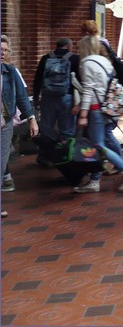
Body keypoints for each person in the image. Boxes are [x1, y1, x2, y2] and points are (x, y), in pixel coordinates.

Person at [75, 35, 123, 193]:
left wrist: (83, 113)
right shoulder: (104, 62)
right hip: (106, 108)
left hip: (95, 109)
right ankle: (95, 179)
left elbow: (89, 89)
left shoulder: (87, 63)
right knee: (100, 141)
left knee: (98, 145)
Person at [1, 35, 39, 217]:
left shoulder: (9, 71)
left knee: (1, 162)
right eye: (0, 49)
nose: (3, 53)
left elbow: (21, 97)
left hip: (5, 123)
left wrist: (31, 118)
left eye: (6, 50)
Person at [32, 37, 80, 165]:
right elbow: (79, 81)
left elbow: (37, 80)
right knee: (67, 129)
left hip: (48, 98)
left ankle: (44, 157)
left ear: (56, 46)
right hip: (67, 99)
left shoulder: (46, 58)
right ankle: (65, 158)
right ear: (69, 46)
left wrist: (36, 97)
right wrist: (79, 103)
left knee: (46, 128)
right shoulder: (74, 58)